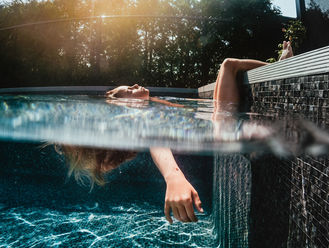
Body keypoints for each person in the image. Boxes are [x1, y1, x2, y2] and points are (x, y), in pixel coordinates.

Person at [63, 41, 293, 224]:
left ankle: (282, 63)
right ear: (123, 104)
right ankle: (284, 65)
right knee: (228, 65)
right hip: (221, 130)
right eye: (130, 90)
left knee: (228, 66)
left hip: (216, 122)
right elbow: (156, 140)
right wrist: (173, 176)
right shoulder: (140, 115)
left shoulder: (149, 104)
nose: (135, 85)